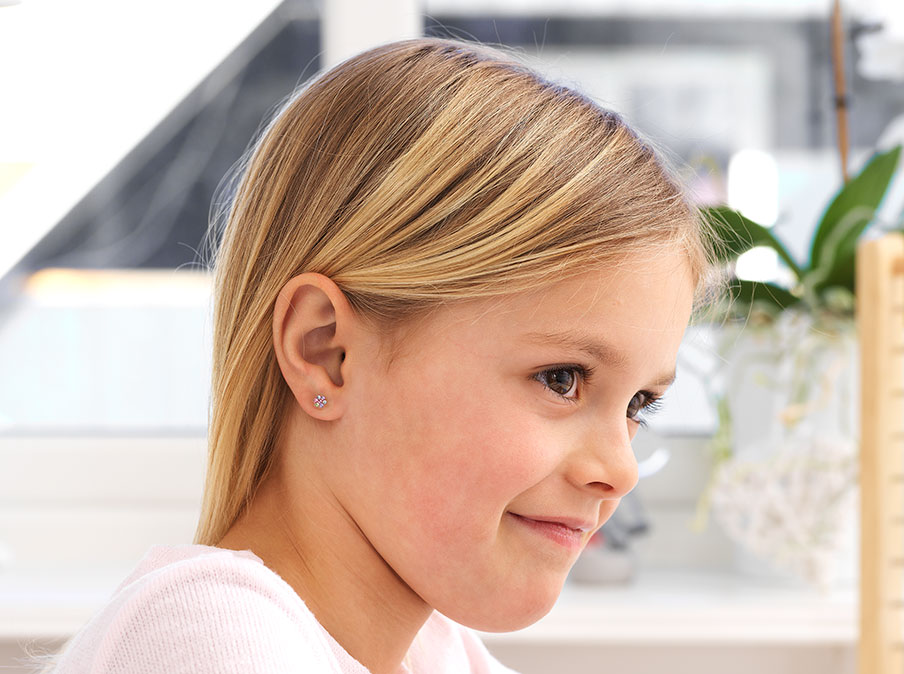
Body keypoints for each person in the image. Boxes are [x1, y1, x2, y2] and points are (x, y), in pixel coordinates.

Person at [41, 36, 720, 673]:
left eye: (640, 405)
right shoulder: (210, 637)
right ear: (326, 352)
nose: (620, 471)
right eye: (562, 379)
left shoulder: (437, 650)